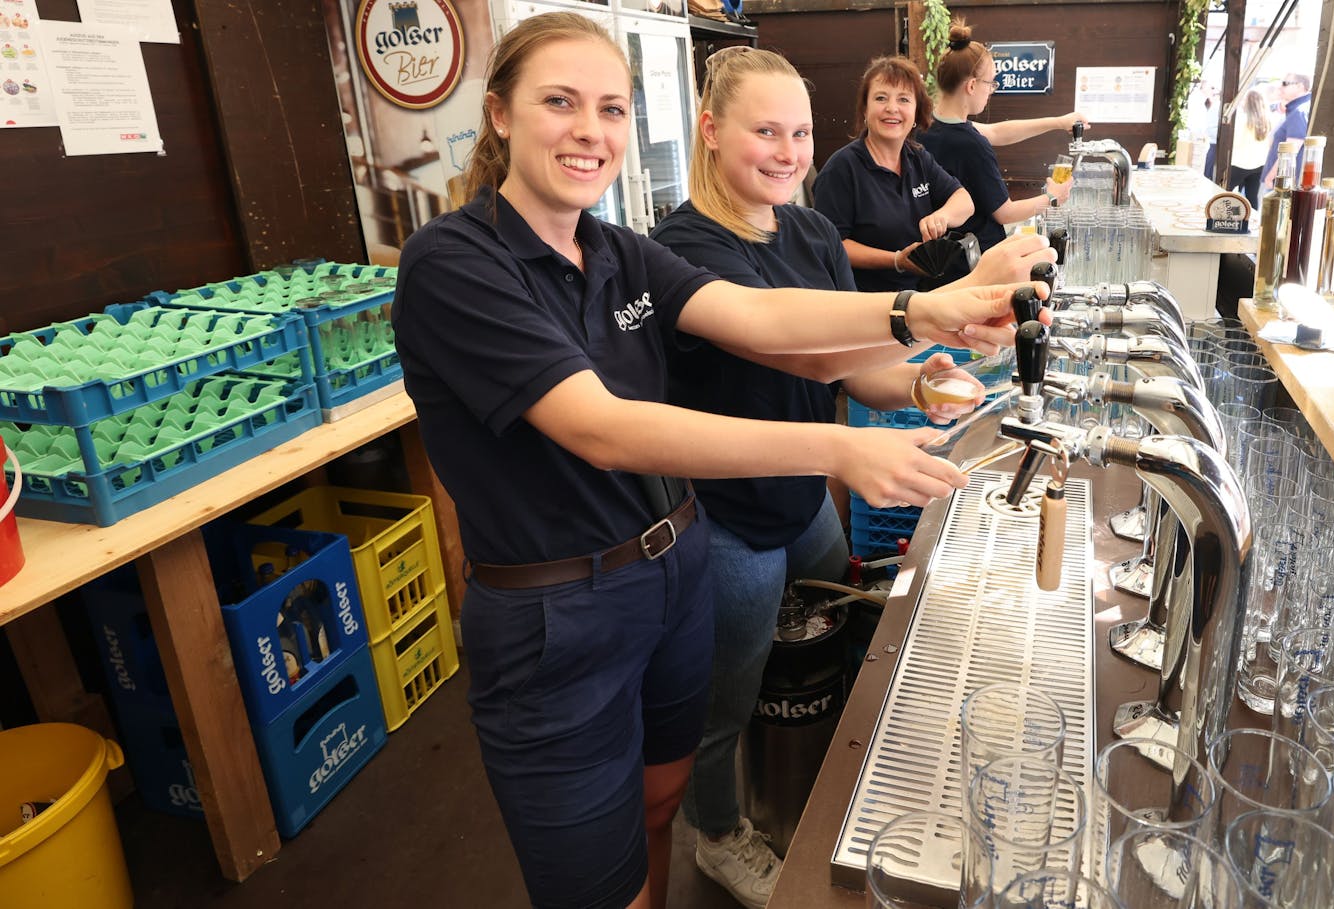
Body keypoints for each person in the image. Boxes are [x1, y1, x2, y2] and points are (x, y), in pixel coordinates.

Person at [390, 15, 1035, 909]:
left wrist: (922, 316)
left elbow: (762, 321)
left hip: (675, 568)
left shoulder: (619, 251)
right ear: (499, 114)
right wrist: (838, 446)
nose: (591, 130)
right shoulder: (454, 262)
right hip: (557, 614)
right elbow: (606, 428)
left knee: (661, 798)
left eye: (611, 108)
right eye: (560, 103)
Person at [649, 46, 1054, 908]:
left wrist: (915, 381)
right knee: (732, 691)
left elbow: (839, 364)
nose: (789, 151)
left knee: (852, 632)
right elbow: (772, 332)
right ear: (712, 133)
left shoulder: (809, 231)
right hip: (729, 518)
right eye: (765, 131)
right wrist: (928, 312)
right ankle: (719, 834)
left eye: (798, 131)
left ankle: (833, 783)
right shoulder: (680, 249)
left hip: (805, 498)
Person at [814, 55, 975, 292]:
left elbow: (964, 201)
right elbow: (832, 245)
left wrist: (942, 216)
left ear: (916, 112)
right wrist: (897, 261)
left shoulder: (916, 156)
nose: (892, 108)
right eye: (881, 98)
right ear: (865, 110)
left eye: (904, 99)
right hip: (866, 303)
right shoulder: (842, 169)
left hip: (921, 293)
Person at [918, 21, 1082, 253]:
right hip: (975, 258)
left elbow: (996, 131)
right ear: (972, 86)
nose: (991, 90)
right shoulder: (971, 145)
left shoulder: (928, 125)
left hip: (939, 255)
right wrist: (1053, 198)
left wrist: (1058, 122)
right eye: (991, 83)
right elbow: (1005, 213)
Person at [1261, 73, 1312, 188]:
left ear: (1300, 86)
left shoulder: (1298, 112)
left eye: (1285, 83)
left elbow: (1290, 151)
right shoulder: (1301, 108)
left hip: (1280, 184)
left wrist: (1270, 177)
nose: (1280, 87)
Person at [1228, 88, 1274, 203]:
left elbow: (1234, 141)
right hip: (1259, 165)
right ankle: (1252, 221)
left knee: (1223, 194)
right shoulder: (1268, 120)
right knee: (1252, 199)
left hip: (1238, 164)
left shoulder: (1242, 119)